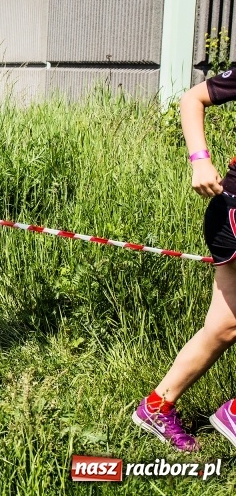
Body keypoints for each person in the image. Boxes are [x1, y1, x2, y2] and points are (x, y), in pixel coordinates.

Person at [131, 71, 236, 451]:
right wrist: (199, 161)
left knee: (224, 326)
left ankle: (157, 407)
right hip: (234, 211)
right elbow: (193, 98)